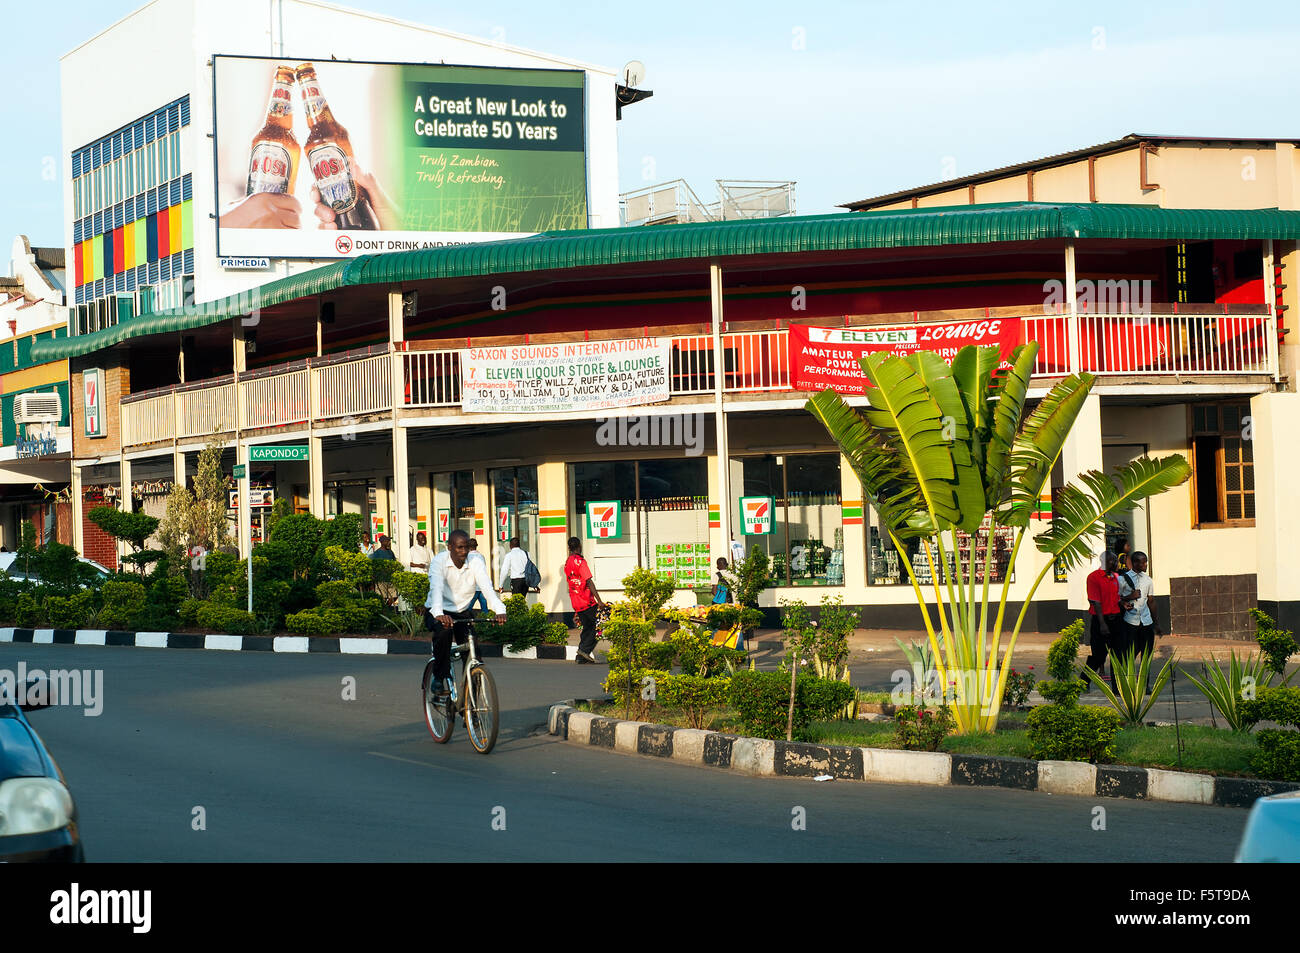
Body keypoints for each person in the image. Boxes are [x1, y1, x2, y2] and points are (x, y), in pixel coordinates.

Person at [424, 530, 506, 700]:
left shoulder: (475, 561)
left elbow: (486, 586)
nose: (464, 551)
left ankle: (470, 704)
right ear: (450, 547)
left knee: (473, 652)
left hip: (462, 612)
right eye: (460, 547)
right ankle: (439, 678)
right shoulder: (439, 561)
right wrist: (439, 614)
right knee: (444, 632)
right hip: (437, 610)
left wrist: (499, 609)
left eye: (466, 547)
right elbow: (436, 588)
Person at [1118, 551, 1159, 689]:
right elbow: (1116, 599)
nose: (1146, 564)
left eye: (1146, 561)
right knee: (1130, 654)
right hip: (1130, 622)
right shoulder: (1123, 579)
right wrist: (1129, 597)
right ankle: (1128, 684)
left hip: (1146, 622)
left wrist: (1156, 623)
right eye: (1143, 562)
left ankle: (1144, 685)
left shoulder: (1148, 580)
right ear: (1135, 563)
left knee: (1146, 655)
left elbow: (1151, 601)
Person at [565, 536, 606, 665]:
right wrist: (599, 600)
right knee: (599, 626)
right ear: (579, 546)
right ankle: (584, 650)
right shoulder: (580, 562)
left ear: (569, 548)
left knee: (588, 627)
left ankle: (580, 657)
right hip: (586, 600)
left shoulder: (567, 562)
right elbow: (588, 581)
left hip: (575, 601)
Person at [1085, 551, 1123, 689]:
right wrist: (1102, 624)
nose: (1117, 563)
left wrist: (1124, 603)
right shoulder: (1093, 578)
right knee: (1099, 655)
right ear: (1106, 562)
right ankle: (1084, 682)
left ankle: (1116, 687)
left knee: (1117, 655)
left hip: (1116, 620)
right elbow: (1096, 602)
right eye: (1114, 561)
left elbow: (1117, 598)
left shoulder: (1116, 577)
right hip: (1101, 620)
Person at [467, 537, 489, 612]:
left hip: (473, 586)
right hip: (481, 585)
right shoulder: (481, 556)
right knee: (484, 607)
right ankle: (486, 622)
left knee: (468, 607)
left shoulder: (468, 557)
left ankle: (467, 621)